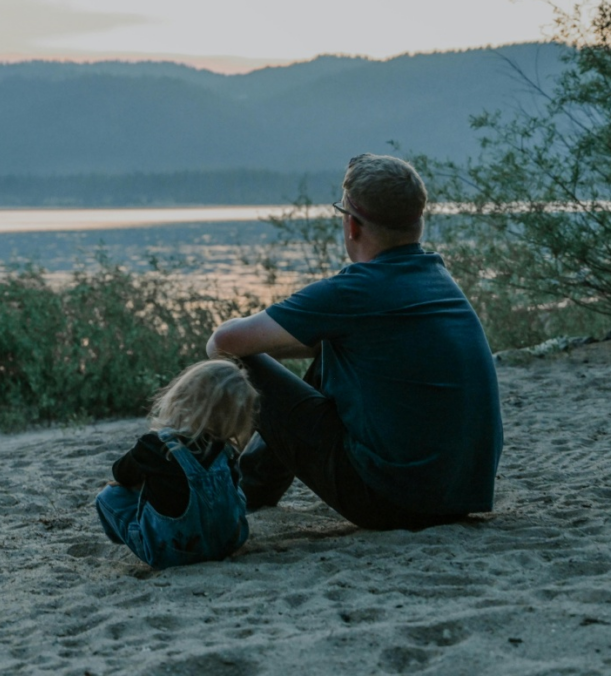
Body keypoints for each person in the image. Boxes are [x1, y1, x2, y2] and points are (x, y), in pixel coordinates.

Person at [206, 153, 503, 531]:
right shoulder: (438, 280)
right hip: (461, 493)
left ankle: (245, 486)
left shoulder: (356, 291)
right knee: (333, 344)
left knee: (240, 361)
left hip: (390, 500)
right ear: (418, 224)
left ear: (352, 226)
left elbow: (222, 342)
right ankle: (253, 486)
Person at [95, 359, 258, 568]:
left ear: (183, 397)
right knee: (234, 490)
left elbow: (120, 474)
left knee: (109, 495)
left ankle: (129, 537)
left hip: (171, 553)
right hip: (226, 544)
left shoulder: (154, 445)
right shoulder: (227, 451)